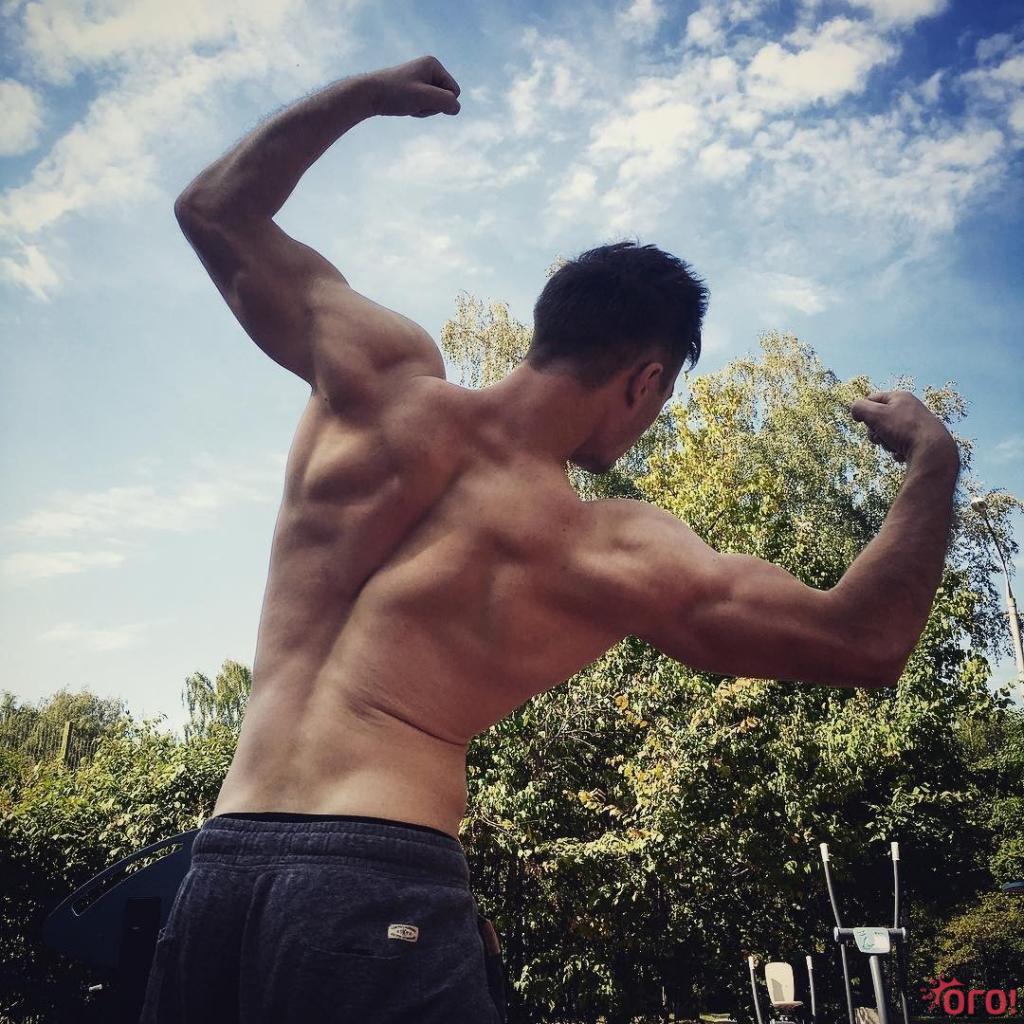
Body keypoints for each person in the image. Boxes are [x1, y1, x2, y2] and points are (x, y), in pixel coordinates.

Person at [148, 56, 961, 1023]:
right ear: (645, 381)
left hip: (220, 876)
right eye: (660, 398)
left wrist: (363, 97)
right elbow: (863, 641)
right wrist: (933, 462)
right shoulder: (605, 548)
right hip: (378, 880)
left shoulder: (376, 376)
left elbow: (214, 210)